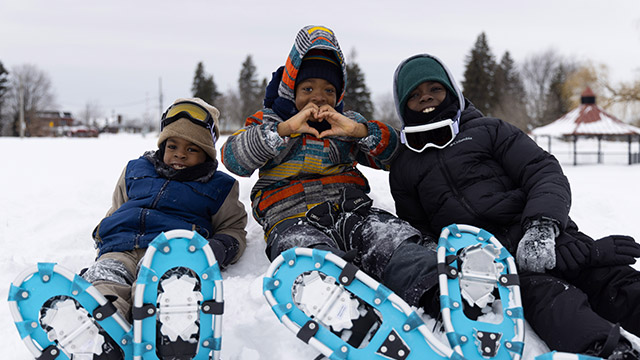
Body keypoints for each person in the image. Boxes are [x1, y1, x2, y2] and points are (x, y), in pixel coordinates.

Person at [389, 53, 640, 359]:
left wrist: (542, 226)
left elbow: (542, 171)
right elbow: (421, 231)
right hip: (499, 264)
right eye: (414, 95)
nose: (426, 97)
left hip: (550, 237)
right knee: (552, 299)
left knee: (612, 280)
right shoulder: (405, 167)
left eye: (435, 89)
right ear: (403, 106)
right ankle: (612, 351)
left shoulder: (489, 130)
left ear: (452, 91)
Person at [221, 25, 439, 311]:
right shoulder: (270, 122)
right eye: (308, 89)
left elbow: (396, 155)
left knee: (388, 239)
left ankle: (436, 289)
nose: (319, 97)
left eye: (328, 90)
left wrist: (359, 131)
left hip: (353, 210)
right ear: (291, 91)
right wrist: (284, 129)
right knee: (306, 257)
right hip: (291, 217)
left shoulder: (346, 123)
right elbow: (234, 158)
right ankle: (338, 308)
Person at [83, 97, 248, 321]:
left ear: (207, 154)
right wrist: (105, 233)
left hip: (170, 251)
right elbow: (117, 209)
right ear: (162, 146)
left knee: (167, 284)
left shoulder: (219, 186)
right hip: (121, 247)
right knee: (106, 279)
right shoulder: (136, 170)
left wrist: (219, 248)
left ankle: (164, 326)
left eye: (191, 149)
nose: (180, 154)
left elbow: (233, 228)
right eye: (173, 146)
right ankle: (103, 325)